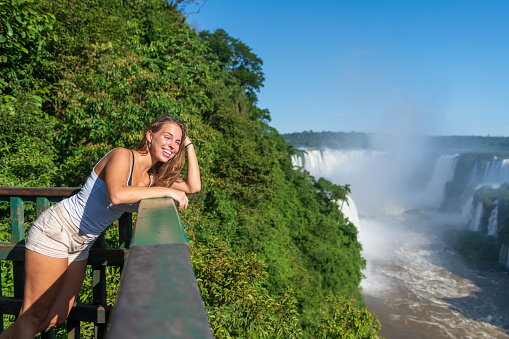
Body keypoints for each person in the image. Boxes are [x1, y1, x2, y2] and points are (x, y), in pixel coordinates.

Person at [0, 115, 200, 338]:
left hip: (82, 243)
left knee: (59, 314)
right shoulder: (122, 156)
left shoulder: (153, 177)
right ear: (150, 135)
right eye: (167, 137)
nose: (172, 145)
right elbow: (116, 195)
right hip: (56, 231)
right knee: (34, 315)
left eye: (177, 142)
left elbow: (193, 185)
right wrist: (168, 191)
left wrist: (188, 145)